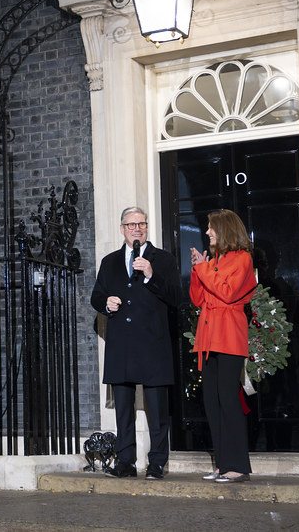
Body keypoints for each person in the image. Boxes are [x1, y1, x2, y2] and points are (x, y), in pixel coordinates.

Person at [91, 206, 180, 480]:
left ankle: (157, 463)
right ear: (122, 229)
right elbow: (96, 296)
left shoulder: (162, 259)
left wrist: (151, 274)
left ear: (147, 227)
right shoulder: (110, 261)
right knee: (124, 410)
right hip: (122, 345)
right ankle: (125, 461)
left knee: (157, 411)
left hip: (153, 344)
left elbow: (176, 297)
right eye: (131, 225)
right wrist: (105, 303)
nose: (137, 229)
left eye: (141, 224)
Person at [190, 208, 258, 484]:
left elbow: (227, 293)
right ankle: (222, 463)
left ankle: (238, 465)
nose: (207, 232)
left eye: (211, 228)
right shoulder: (215, 259)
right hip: (208, 336)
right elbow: (197, 298)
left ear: (224, 229)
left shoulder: (242, 259)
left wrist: (204, 269)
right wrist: (198, 269)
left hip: (228, 335)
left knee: (228, 401)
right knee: (212, 402)